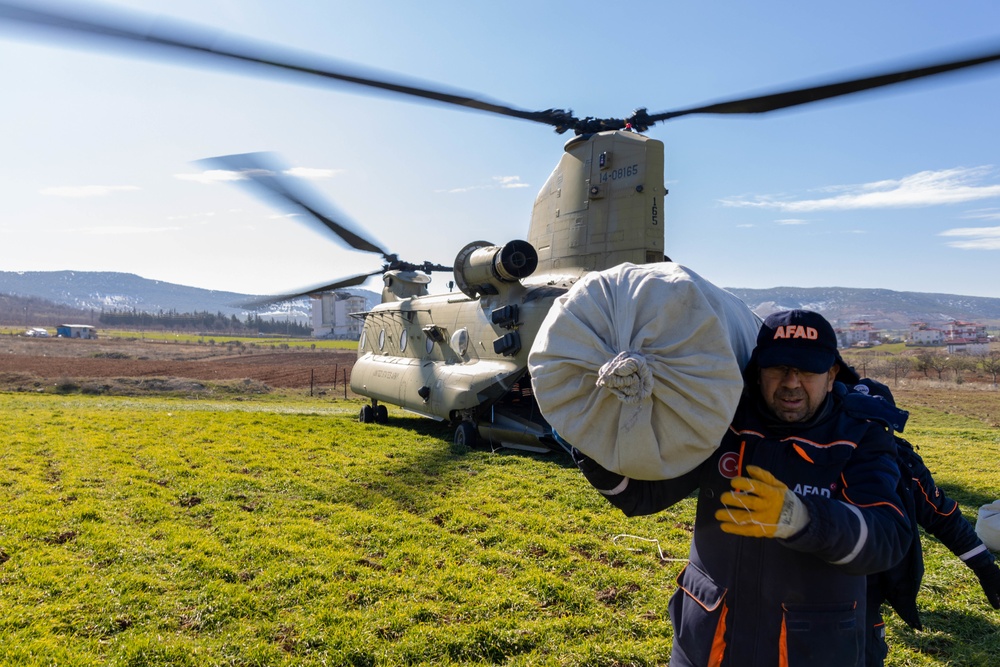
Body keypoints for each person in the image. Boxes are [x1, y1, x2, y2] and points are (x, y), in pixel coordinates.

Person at [572, 309, 912, 667]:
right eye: (778, 368)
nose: (792, 382)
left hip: (810, 649)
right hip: (706, 644)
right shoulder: (723, 420)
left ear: (831, 375)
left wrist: (804, 520)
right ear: (758, 370)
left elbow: (887, 539)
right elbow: (640, 494)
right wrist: (591, 433)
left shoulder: (861, 435)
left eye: (808, 370)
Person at [845, 379, 1000, 667]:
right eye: (854, 420)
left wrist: (985, 567)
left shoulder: (903, 463)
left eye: (874, 423)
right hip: (807, 583)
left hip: (871, 586)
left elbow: (942, 515)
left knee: (864, 654)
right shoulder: (815, 454)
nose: (864, 432)